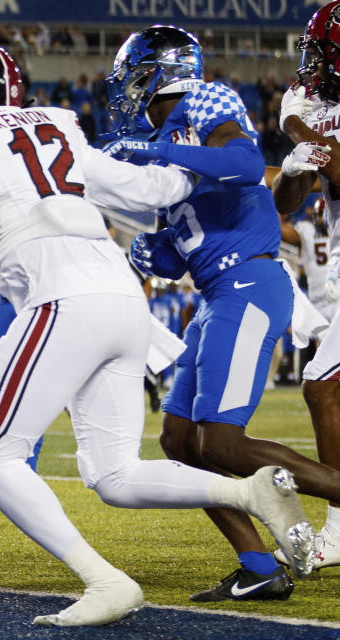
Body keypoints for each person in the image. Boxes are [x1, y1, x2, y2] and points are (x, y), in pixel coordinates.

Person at [0, 40, 314, 627]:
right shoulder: (58, 123)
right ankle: (250, 493)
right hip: (124, 304)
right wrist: (197, 166)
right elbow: (155, 190)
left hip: (61, 298)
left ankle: (106, 583)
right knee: (115, 474)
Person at [101, 24, 340, 601]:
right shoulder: (167, 144)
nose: (126, 90)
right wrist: (155, 249)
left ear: (157, 71)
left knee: (224, 446)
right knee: (180, 441)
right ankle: (257, 564)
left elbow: (240, 160)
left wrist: (158, 151)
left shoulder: (205, 100)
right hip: (215, 295)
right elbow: (184, 235)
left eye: (133, 76)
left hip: (250, 284)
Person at [270, 0, 340, 573]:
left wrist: (296, 124)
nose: (311, 65)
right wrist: (295, 163)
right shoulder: (325, 112)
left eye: (320, 52)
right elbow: (287, 204)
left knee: (322, 384)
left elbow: (338, 165)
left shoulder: (316, 116)